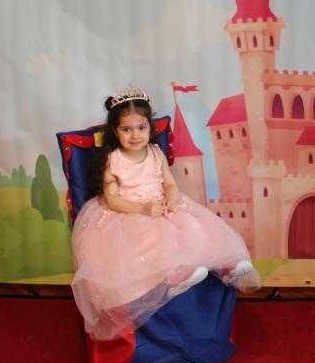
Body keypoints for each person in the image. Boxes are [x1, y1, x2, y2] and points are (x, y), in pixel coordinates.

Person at [71, 85, 258, 341]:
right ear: (115, 131)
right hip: (130, 212)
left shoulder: (155, 153)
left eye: (141, 128)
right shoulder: (113, 160)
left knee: (196, 228)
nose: (135, 135)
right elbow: (112, 199)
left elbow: (169, 183)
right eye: (126, 129)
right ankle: (174, 277)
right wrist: (143, 209)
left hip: (161, 205)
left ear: (149, 127)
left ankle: (226, 266)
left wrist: (171, 198)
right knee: (152, 240)